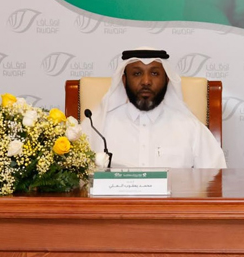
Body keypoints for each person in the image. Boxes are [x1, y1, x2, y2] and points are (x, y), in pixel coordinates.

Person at [83, 48, 226, 169]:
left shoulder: (191, 128)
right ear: (124, 80)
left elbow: (215, 180)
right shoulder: (96, 126)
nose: (146, 81)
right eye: (137, 73)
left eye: (155, 73)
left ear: (167, 80)